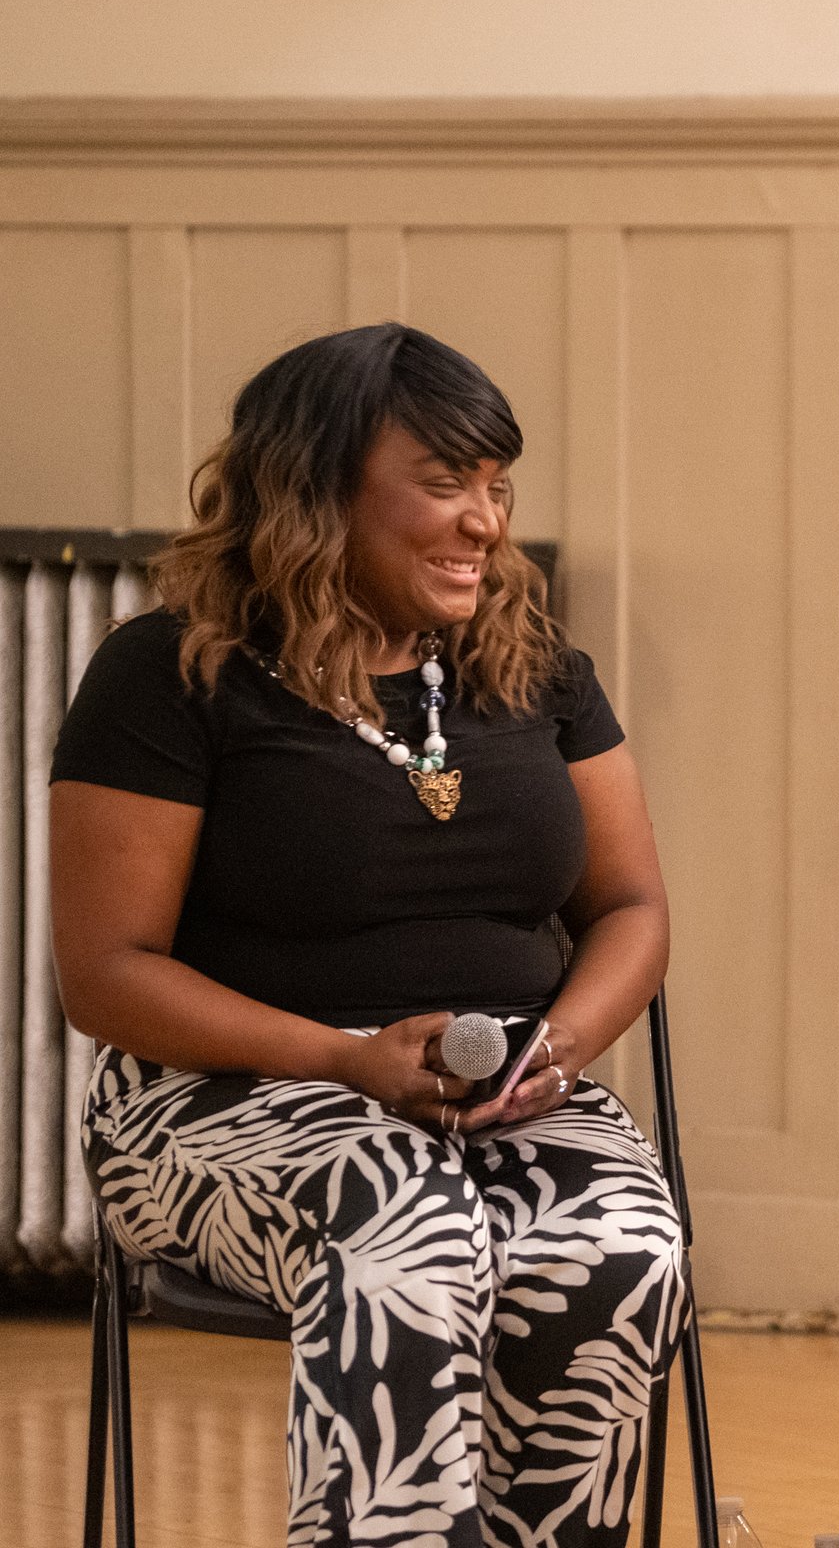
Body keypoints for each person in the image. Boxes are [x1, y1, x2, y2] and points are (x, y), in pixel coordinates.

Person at [52, 324, 687, 1548]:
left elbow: (630, 908)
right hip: (215, 1096)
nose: (485, 522)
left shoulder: (538, 669)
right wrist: (343, 1060)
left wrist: (555, 1047)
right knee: (405, 1216)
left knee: (622, 1243)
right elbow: (106, 973)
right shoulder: (170, 677)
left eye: (496, 485)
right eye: (444, 484)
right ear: (315, 491)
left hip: (506, 1087)